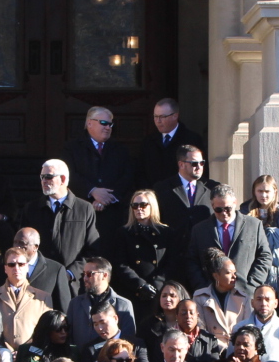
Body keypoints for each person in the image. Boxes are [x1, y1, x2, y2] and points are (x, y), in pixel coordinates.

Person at [19, 159, 100, 294]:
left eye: (48, 177)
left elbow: (92, 249)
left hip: (72, 284)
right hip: (39, 283)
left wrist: (70, 273)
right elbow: (22, 246)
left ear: (63, 179)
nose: (44, 181)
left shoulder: (84, 209)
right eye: (42, 177)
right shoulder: (31, 208)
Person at [64, 105, 138, 234]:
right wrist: (92, 191)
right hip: (81, 214)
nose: (108, 127)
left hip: (113, 215)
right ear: (89, 123)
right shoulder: (72, 148)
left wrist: (108, 198)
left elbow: (128, 176)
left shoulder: (120, 149)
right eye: (104, 123)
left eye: (110, 124)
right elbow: (68, 175)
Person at [107, 187, 174, 307]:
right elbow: (120, 263)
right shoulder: (124, 232)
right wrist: (140, 285)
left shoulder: (165, 232)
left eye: (143, 205)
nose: (139, 209)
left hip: (159, 291)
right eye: (135, 205)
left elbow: (171, 262)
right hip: (134, 291)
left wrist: (157, 284)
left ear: (152, 206)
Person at [139, 96, 206, 185]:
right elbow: (140, 172)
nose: (158, 121)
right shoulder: (148, 141)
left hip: (181, 195)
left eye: (162, 117)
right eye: (155, 116)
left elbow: (200, 170)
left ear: (175, 116)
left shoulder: (192, 140)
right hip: (154, 195)